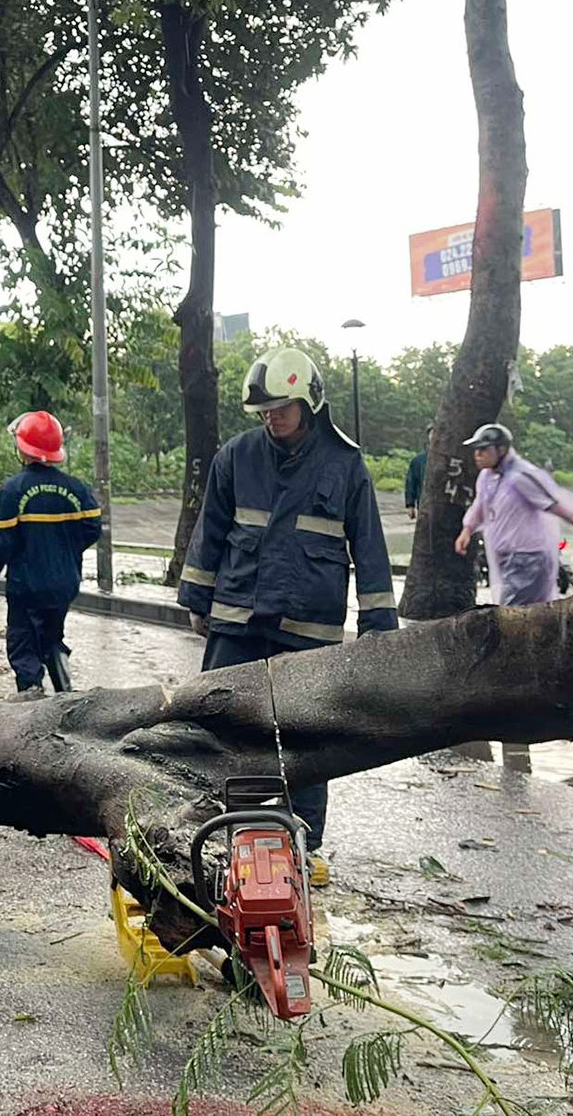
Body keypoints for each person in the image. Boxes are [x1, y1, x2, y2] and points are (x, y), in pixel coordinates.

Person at [176, 345, 397, 887]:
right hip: (238, 617)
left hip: (308, 625)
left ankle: (304, 842)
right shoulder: (237, 455)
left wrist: (378, 628)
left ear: (308, 402)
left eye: (281, 409)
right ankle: (229, 834)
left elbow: (370, 548)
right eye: (265, 412)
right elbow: (211, 531)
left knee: (309, 736)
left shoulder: (345, 464)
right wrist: (197, 600)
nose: (272, 419)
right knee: (225, 729)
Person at [0, 411, 103, 699]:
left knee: (23, 646)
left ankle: (31, 704)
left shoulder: (13, 490)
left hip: (27, 586)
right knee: (52, 638)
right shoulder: (76, 488)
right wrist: (64, 550)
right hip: (64, 584)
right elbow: (93, 528)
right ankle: (65, 694)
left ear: (22, 448)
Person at [452, 423, 573, 605]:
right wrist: (467, 530)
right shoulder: (487, 477)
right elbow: (480, 505)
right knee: (522, 610)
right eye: (476, 450)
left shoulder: (520, 477)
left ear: (501, 450)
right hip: (504, 555)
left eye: (483, 450)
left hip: (529, 557)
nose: (477, 455)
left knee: (517, 611)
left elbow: (559, 506)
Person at [404, 425, 432, 520]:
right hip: (424, 505)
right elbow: (411, 482)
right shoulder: (419, 460)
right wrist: (410, 504)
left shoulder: (449, 460)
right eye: (432, 433)